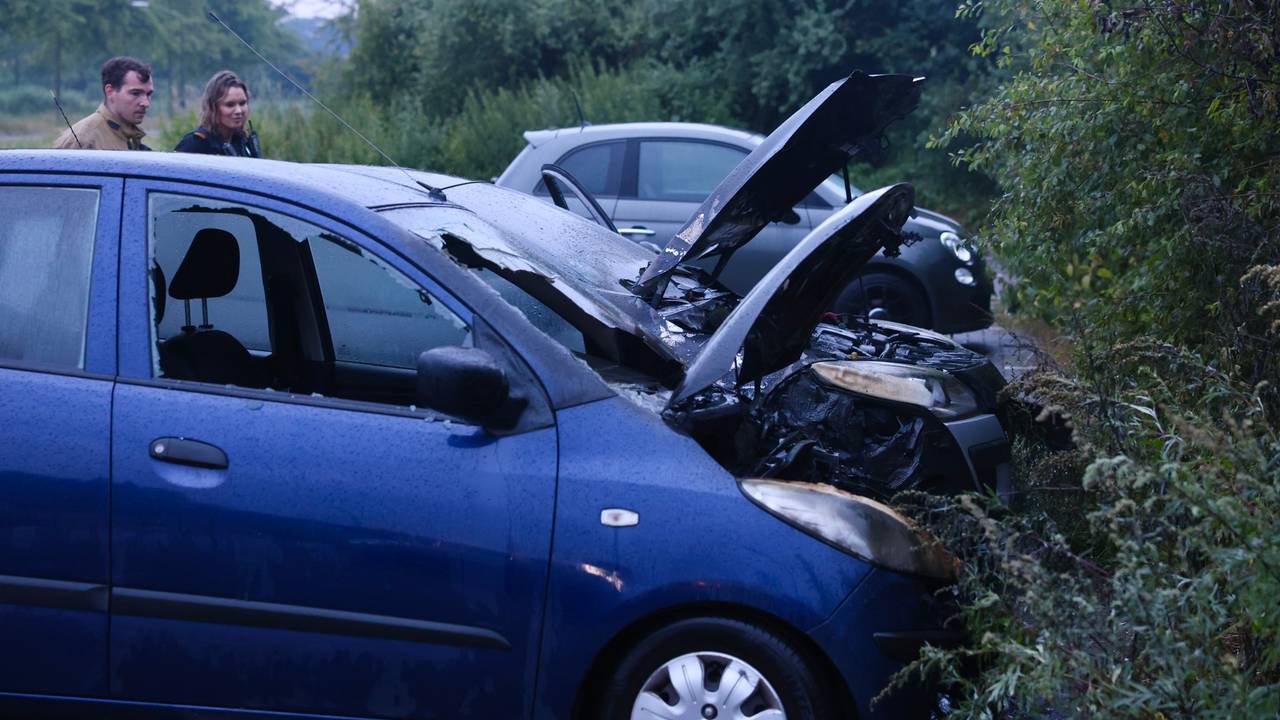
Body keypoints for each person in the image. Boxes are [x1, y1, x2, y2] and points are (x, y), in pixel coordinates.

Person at [53, 56, 153, 150]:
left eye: (148, 94)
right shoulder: (83, 140)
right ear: (110, 92)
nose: (146, 103)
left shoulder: (130, 136)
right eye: (135, 93)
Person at [174, 71, 261, 158]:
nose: (239, 111)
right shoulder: (195, 144)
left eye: (242, 103)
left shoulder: (242, 142)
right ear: (213, 107)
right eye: (230, 105)